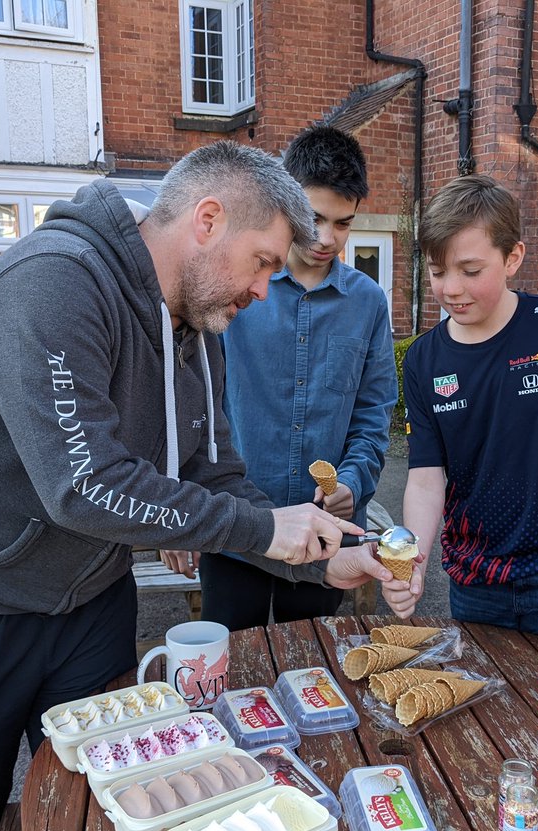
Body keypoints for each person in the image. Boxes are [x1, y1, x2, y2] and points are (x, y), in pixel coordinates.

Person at [0, 141, 396, 826]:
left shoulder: (199, 326)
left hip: (89, 599)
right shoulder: (54, 283)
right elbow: (83, 484)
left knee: (112, 806)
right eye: (263, 262)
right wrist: (269, 528)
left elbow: (216, 476)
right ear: (207, 221)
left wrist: (327, 559)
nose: (266, 287)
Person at [383, 174, 538, 649]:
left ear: (513, 257)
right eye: (438, 272)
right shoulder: (422, 359)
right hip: (475, 584)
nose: (451, 288)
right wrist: (411, 561)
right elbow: (425, 476)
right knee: (488, 718)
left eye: (470, 270)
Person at [162, 126, 396, 629]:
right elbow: (191, 403)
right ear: (285, 200)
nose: (327, 239)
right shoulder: (234, 287)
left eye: (344, 223)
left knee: (317, 673)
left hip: (326, 532)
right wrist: (180, 510)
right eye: (314, 218)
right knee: (232, 675)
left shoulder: (369, 303)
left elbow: (373, 414)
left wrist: (352, 481)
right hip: (238, 526)